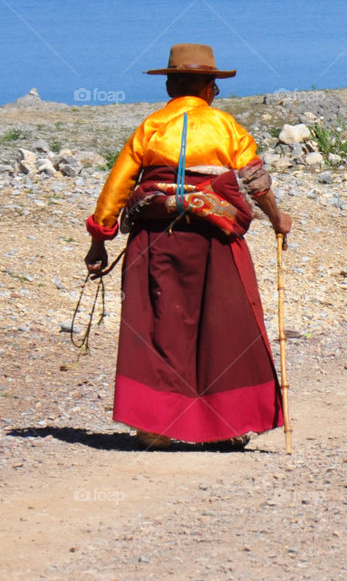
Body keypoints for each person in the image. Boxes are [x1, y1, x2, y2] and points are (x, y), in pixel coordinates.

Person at [84, 43, 292, 448]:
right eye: (214, 85)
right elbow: (255, 179)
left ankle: (155, 427)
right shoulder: (226, 127)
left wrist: (100, 241)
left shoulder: (150, 127)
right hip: (214, 239)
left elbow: (117, 187)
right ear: (209, 86)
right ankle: (225, 425)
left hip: (153, 240)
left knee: (158, 325)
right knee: (223, 326)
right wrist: (277, 219)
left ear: (170, 87)